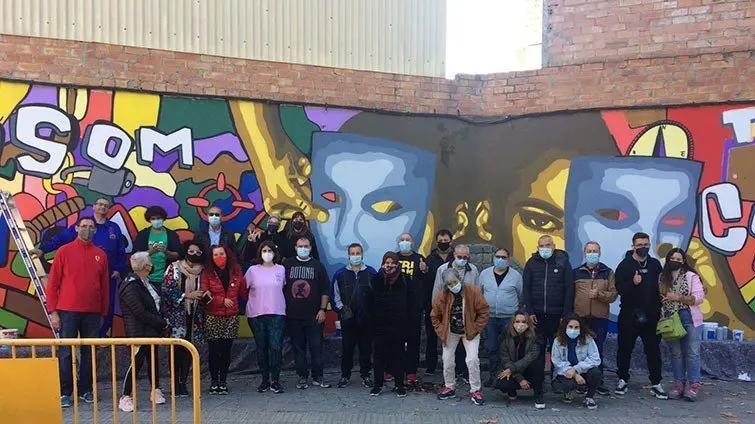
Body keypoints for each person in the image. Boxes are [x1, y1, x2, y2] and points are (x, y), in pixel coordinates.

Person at [32, 197, 127, 337]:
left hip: (106, 277)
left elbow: (121, 251)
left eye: (106, 205)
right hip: (81, 280)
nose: (103, 207)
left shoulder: (114, 228)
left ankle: (99, 341)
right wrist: (43, 249)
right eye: (100, 204)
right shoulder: (82, 225)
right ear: (93, 207)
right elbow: (60, 239)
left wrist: (118, 269)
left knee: (107, 309)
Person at [45, 217, 109, 407]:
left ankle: (86, 390)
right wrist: (53, 312)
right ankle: (65, 392)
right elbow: (53, 284)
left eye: (91, 227)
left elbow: (105, 286)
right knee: (65, 353)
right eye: (84, 226)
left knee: (89, 352)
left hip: (93, 313)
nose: (87, 230)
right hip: (68, 311)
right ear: (76, 228)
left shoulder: (101, 255)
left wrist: (103, 313)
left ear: (95, 231)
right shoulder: (63, 251)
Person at [614, 232, 667, 399]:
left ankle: (656, 383)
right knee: (624, 350)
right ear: (633, 246)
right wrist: (633, 283)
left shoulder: (654, 264)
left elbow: (662, 287)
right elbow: (619, 290)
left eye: (646, 244)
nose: (643, 247)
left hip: (652, 317)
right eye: (640, 245)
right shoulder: (624, 266)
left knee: (653, 351)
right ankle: (622, 379)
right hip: (629, 316)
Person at [520, 235, 574, 388]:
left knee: (559, 349)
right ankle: (539, 382)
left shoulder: (563, 262)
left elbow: (569, 289)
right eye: (542, 246)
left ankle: (558, 382)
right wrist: (529, 312)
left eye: (548, 245)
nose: (545, 248)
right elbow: (526, 289)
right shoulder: (531, 263)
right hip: (537, 317)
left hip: (558, 317)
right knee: (538, 350)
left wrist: (566, 314)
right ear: (537, 247)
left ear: (554, 246)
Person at [118, 252, 169, 412]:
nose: (152, 265)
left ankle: (155, 390)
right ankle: (125, 396)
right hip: (138, 331)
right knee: (136, 362)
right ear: (146, 266)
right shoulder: (130, 285)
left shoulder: (146, 282)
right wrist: (162, 323)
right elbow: (139, 312)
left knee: (153, 360)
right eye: (150, 262)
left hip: (152, 330)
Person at [432, 268, 490, 406]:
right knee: (447, 359)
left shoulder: (473, 291)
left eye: (455, 282)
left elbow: (484, 311)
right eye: (450, 284)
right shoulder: (441, 296)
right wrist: (442, 332)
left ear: (460, 280)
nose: (453, 286)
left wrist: (476, 328)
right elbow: (435, 316)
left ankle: (475, 390)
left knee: (472, 359)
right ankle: (449, 387)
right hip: (450, 331)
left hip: (470, 330)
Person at [283, 237, 330, 389]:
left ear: (310, 248)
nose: (303, 248)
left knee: (316, 348)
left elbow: (324, 290)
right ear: (295, 248)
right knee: (298, 348)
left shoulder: (318, 265)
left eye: (306, 246)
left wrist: (322, 309)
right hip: (293, 316)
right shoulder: (287, 265)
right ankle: (302, 377)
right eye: (300, 246)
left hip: (314, 316)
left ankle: (318, 376)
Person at [161, 240, 207, 397]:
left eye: (198, 252)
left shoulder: (203, 270)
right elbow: (166, 289)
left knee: (189, 349)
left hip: (195, 316)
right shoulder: (174, 268)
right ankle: (174, 383)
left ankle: (183, 382)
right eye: (191, 251)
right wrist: (187, 295)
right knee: (175, 350)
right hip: (177, 316)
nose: (194, 255)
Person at [660, 248, 705, 402]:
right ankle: (679, 383)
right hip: (670, 318)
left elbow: (699, 298)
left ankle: (694, 384)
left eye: (678, 259)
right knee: (676, 353)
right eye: (673, 258)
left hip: (689, 317)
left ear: (683, 261)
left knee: (692, 352)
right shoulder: (662, 277)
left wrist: (678, 297)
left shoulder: (691, 276)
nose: (675, 261)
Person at [572, 241, 616, 396]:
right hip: (580, 319)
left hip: (599, 318)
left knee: (597, 350)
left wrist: (599, 294)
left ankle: (598, 382)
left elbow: (613, 295)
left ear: (599, 253)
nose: (592, 253)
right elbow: (570, 295)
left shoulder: (607, 272)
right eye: (589, 251)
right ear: (584, 253)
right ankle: (580, 382)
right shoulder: (576, 272)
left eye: (595, 251)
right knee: (579, 351)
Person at [431, 244, 480, 383]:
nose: (462, 260)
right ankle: (449, 384)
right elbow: (437, 292)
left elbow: (477, 293)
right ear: (454, 255)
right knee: (448, 357)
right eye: (459, 257)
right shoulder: (443, 269)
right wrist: (439, 321)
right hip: (449, 317)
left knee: (470, 356)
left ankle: (467, 377)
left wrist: (476, 321)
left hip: (468, 317)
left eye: (465, 257)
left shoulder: (473, 270)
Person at [331, 243, 377, 388]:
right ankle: (345, 375)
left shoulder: (371, 273)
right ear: (348, 255)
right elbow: (335, 295)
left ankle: (366, 375)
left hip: (367, 318)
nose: (355, 256)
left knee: (366, 348)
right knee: (347, 348)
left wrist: (372, 311)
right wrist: (341, 309)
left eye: (358, 253)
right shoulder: (340, 274)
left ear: (362, 255)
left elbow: (377, 294)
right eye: (352, 253)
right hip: (348, 318)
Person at [201, 245, 245, 395]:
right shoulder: (207, 273)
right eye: (216, 254)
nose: (219, 257)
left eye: (222, 254)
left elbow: (243, 290)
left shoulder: (236, 270)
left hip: (231, 316)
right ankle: (214, 381)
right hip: (213, 315)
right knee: (214, 351)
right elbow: (204, 294)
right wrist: (221, 301)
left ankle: (223, 381)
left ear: (227, 255)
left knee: (226, 351)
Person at [244, 240, 287, 394]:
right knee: (261, 348)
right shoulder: (252, 271)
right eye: (264, 250)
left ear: (274, 253)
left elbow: (284, 287)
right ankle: (264, 380)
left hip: (277, 313)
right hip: (256, 314)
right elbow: (244, 289)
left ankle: (275, 380)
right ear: (260, 253)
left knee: (276, 347)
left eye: (270, 250)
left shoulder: (281, 269)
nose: (267, 253)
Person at [476, 247, 522, 387]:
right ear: (493, 258)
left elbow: (520, 294)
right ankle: (493, 375)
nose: (500, 260)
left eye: (504, 257)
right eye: (498, 257)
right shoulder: (484, 274)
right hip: (489, 317)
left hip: (508, 317)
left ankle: (509, 375)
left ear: (509, 260)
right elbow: (479, 293)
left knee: (509, 347)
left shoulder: (516, 276)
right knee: (492, 347)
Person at [365, 252, 408, 397]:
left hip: (399, 325)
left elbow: (412, 302)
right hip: (379, 325)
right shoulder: (375, 280)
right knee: (379, 355)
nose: (389, 266)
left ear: (397, 264)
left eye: (392, 263)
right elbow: (368, 303)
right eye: (386, 263)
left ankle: (399, 384)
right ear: (383, 264)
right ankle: (378, 384)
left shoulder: (405, 280)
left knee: (398, 355)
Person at [494, 311, 545, 410]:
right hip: (513, 372)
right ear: (512, 323)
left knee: (537, 365)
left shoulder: (535, 337)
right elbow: (505, 360)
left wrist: (511, 369)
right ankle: (511, 392)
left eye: (524, 322)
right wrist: (520, 378)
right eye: (517, 321)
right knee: (502, 382)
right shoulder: (505, 337)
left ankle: (538, 395)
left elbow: (529, 358)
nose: (520, 325)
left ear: (528, 324)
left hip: (528, 370)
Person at [551, 314, 602, 410]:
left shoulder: (588, 339)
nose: (573, 330)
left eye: (576, 327)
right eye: (570, 327)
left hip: (584, 371)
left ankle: (589, 397)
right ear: (565, 327)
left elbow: (595, 358)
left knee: (596, 373)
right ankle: (568, 392)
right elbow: (556, 362)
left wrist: (576, 369)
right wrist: (574, 373)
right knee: (564, 385)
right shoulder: (557, 341)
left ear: (580, 328)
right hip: (566, 372)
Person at [396, 233, 427, 384]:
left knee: (414, 340)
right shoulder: (394, 258)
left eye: (407, 240)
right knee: (396, 339)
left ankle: (411, 371)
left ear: (412, 242)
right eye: (402, 240)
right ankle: (394, 368)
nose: (405, 242)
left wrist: (424, 270)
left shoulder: (419, 258)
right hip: (396, 306)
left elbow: (425, 281)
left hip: (414, 306)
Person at [423, 229, 454, 375]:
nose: (443, 244)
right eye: (440, 242)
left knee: (453, 337)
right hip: (433, 304)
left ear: (451, 241)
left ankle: (453, 367)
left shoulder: (456, 258)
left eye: (445, 241)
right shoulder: (429, 259)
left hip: (453, 305)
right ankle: (430, 365)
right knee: (431, 336)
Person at [134, 206, 181, 294]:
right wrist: (151, 252)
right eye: (153, 218)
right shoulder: (143, 234)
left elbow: (178, 255)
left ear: (163, 218)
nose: (156, 221)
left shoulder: (171, 234)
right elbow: (135, 256)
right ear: (149, 220)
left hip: (166, 278)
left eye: (158, 218)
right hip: (146, 278)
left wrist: (166, 251)